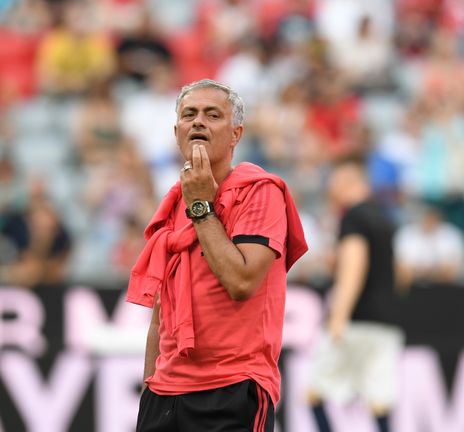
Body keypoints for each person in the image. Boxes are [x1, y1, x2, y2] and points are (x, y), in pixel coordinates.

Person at [127, 79, 308, 431]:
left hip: (232, 386)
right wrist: (150, 386)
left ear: (236, 134)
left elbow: (241, 281)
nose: (198, 122)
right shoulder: (175, 200)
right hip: (165, 394)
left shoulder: (260, 192)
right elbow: (161, 313)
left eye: (213, 115)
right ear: (176, 131)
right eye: (189, 114)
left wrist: (200, 205)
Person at [308, 159, 404, 432]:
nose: (331, 187)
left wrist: (339, 316)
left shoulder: (353, 217)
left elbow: (354, 265)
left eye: (335, 180)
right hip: (385, 323)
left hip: (355, 321)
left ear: (350, 180)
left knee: (315, 392)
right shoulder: (386, 218)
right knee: (379, 401)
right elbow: (398, 272)